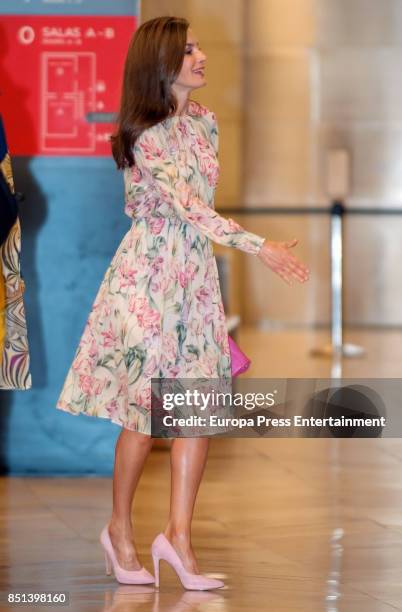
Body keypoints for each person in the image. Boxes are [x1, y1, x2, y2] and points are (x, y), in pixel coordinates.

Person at [56, 16, 309, 590]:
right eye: (188, 50)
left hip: (193, 279)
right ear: (161, 62)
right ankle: (119, 531)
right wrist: (258, 246)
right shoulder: (144, 133)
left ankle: (179, 540)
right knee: (145, 418)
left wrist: (236, 253)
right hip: (146, 278)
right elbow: (188, 207)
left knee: (196, 412)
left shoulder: (207, 123)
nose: (200, 57)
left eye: (197, 48)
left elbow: (200, 212)